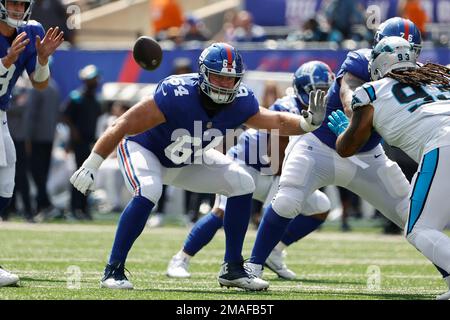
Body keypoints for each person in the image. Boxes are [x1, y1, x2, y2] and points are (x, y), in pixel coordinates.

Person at [69, 42, 328, 291]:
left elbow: (275, 120)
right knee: (149, 190)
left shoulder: (241, 101)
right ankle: (113, 270)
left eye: (231, 78)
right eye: (218, 77)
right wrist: (93, 163)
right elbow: (123, 124)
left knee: (242, 183)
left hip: (188, 157)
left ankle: (233, 269)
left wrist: (307, 124)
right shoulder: (176, 92)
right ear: (203, 74)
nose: (226, 84)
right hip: (145, 150)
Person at [244, 17, 449, 287]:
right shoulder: (361, 61)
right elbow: (349, 95)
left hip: (367, 154)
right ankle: (254, 264)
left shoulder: (417, 71)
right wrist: (354, 116)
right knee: (287, 199)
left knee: (408, 213)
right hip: (319, 145)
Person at [166, 61, 334, 280]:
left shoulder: (325, 112)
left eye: (326, 91)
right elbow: (277, 156)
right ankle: (181, 258)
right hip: (249, 163)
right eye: (318, 90)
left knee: (321, 207)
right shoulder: (288, 107)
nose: (322, 96)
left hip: (275, 173)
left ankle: (274, 251)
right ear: (304, 88)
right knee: (222, 212)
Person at [328, 36, 450, 300]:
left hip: (443, 143)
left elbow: (348, 148)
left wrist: (342, 132)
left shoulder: (371, 91)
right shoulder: (440, 79)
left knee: (418, 229)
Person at [0, 0, 64, 287]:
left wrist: (41, 59)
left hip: (1, 116)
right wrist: (5, 62)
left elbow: (39, 84)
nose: (16, 9)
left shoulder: (30, 32)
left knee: (5, 186)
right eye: (11, 3)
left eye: (20, 4)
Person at [62, 64, 102, 220]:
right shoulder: (76, 97)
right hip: (79, 143)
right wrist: (74, 131)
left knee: (89, 176)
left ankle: (84, 209)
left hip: (91, 143)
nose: (96, 82)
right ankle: (74, 208)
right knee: (79, 174)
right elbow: (65, 116)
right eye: (93, 79)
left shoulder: (96, 100)